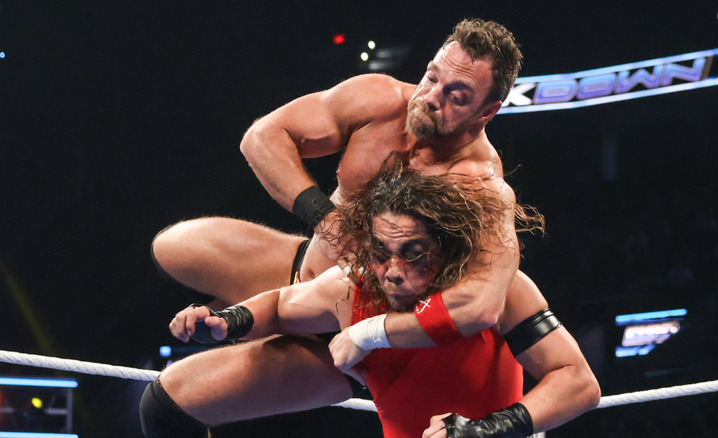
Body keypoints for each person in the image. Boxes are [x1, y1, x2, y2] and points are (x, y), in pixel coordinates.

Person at [151, 19, 532, 374]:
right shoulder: (379, 100)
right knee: (172, 246)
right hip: (300, 271)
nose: (431, 97)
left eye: (457, 95)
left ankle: (262, 327)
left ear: (487, 113)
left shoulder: (478, 185)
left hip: (346, 332)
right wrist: (326, 219)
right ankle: (244, 315)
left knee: (168, 401)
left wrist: (371, 334)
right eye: (432, 77)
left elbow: (479, 303)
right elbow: (262, 138)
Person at [140, 160, 600, 438]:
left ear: (445, 249)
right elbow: (281, 305)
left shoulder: (502, 291)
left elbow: (578, 383)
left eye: (413, 255)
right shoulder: (356, 285)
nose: (393, 271)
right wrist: (229, 321)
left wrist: (488, 430)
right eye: (382, 253)